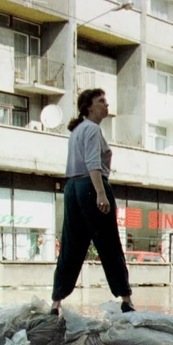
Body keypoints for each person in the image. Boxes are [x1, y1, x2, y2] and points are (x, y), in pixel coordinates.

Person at [50, 88, 134, 316]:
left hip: (72, 188)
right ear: (88, 106)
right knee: (109, 244)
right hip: (90, 185)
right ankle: (126, 300)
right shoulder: (92, 129)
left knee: (71, 245)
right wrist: (100, 193)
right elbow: (93, 162)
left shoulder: (77, 130)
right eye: (101, 101)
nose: (107, 105)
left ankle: (56, 302)